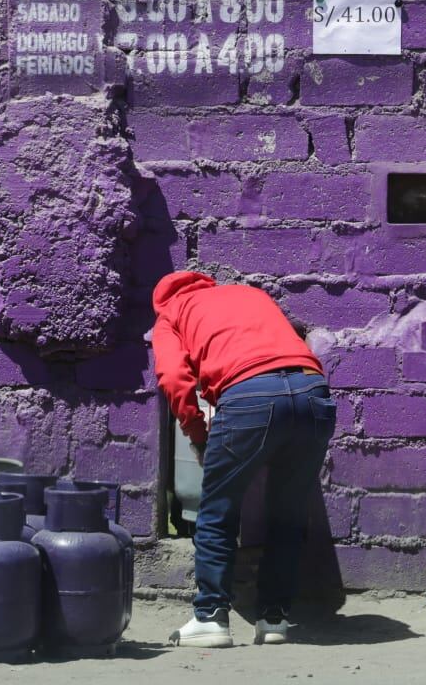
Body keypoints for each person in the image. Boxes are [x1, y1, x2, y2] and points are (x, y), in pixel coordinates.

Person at [152, 271, 337, 648]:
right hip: (313, 391)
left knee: (218, 511)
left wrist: (198, 434)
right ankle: (273, 620)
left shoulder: (171, 315)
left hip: (248, 397)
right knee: (288, 514)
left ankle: (210, 617)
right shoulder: (249, 294)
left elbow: (173, 378)